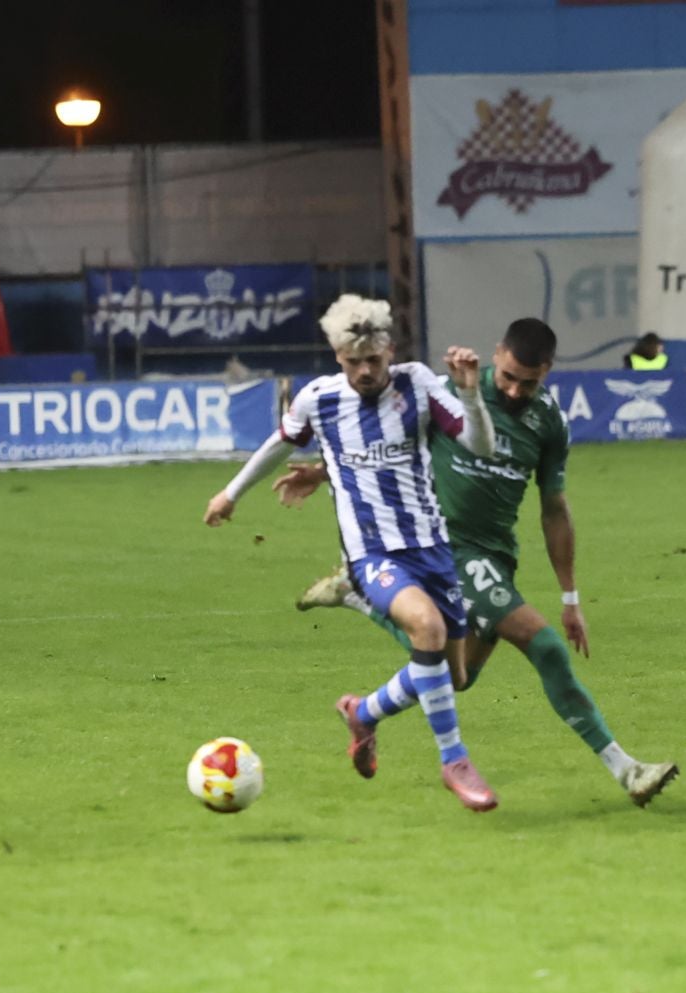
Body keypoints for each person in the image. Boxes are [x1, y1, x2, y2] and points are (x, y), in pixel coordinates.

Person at [277, 318, 679, 807]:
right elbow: (384, 443)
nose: (513, 390)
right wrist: (323, 473)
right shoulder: (449, 392)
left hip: (496, 556)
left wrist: (571, 597)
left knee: (455, 677)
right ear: (497, 354)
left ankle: (363, 701)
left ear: (547, 372)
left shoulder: (550, 422)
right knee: (545, 645)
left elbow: (554, 508)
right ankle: (627, 769)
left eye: (527, 382)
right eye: (507, 376)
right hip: (445, 547)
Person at [204, 295, 502, 812]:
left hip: (432, 547)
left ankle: (363, 712)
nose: (365, 372)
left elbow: (482, 447)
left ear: (390, 350)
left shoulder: (419, 385)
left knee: (452, 676)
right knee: (427, 631)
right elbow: (280, 442)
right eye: (353, 362)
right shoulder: (319, 399)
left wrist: (472, 396)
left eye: (374, 360)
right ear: (336, 356)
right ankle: (455, 762)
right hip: (372, 555)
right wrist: (231, 493)